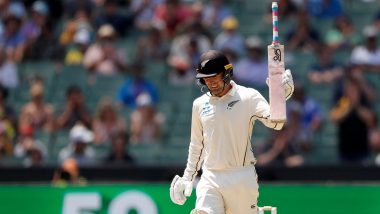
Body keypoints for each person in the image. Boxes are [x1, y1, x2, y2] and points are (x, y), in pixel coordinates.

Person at [169, 50, 294, 214]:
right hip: (210, 176)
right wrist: (188, 177)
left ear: (227, 73)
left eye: (214, 76)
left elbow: (276, 124)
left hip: (241, 177)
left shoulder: (248, 96)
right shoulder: (199, 104)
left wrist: (280, 96)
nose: (210, 82)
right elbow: (197, 145)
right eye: (206, 78)